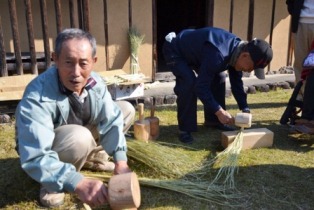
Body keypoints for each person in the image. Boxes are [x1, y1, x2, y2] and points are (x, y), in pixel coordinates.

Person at [15, 28, 135, 208]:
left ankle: (92, 158)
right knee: (80, 137)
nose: (76, 72)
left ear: (94, 62)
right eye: (68, 62)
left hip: (77, 135)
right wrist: (77, 182)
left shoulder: (96, 83)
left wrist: (121, 161)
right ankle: (51, 183)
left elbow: (111, 122)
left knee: (125, 109)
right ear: (55, 59)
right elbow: (35, 153)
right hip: (51, 147)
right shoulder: (37, 94)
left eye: (83, 63)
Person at [162, 27, 273, 143]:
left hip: (198, 54)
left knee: (219, 76)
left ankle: (213, 121)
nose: (250, 71)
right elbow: (201, 88)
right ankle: (185, 129)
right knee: (189, 82)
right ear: (245, 55)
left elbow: (237, 84)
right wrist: (219, 111)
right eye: (252, 67)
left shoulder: (237, 52)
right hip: (176, 50)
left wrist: (245, 108)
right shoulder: (218, 54)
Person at [286, 0, 314, 84]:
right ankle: (301, 94)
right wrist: (295, 12)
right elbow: (289, 2)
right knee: (300, 62)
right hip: (300, 22)